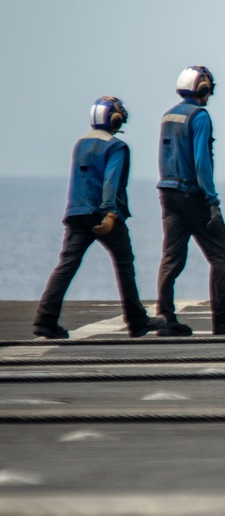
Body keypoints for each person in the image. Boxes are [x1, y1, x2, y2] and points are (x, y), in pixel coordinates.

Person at [34, 97, 164, 340]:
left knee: (66, 265)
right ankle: (136, 321)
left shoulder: (80, 144)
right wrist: (110, 213)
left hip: (76, 213)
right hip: (104, 214)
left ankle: (45, 319)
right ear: (113, 118)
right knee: (124, 263)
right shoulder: (117, 147)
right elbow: (110, 181)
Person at [155, 66, 225, 336]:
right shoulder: (200, 116)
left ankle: (165, 317)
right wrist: (212, 200)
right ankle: (223, 318)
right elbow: (202, 162)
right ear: (202, 89)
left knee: (171, 258)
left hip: (167, 192)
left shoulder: (169, 115)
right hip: (193, 195)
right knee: (220, 254)